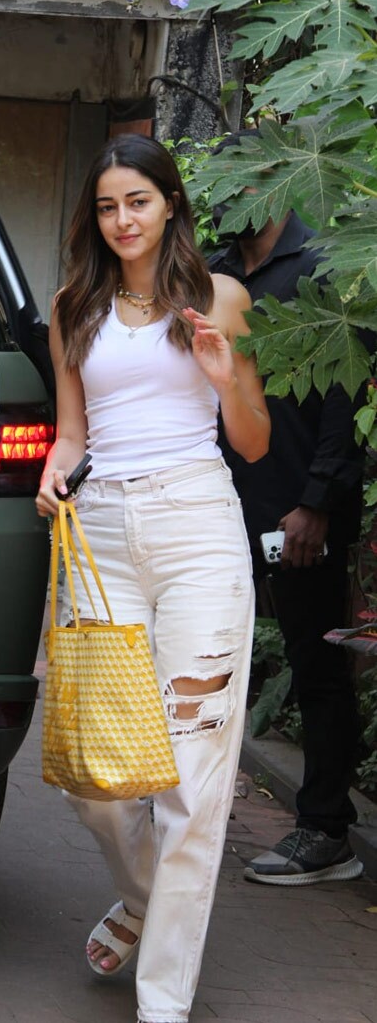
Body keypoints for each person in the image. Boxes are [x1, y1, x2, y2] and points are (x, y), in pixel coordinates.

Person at [35, 132, 270, 1023]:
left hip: (197, 529)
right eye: (107, 205)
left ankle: (162, 1001)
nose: (123, 219)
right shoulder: (73, 306)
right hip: (101, 536)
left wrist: (223, 374)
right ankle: (142, 899)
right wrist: (56, 471)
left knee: (191, 775)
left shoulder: (220, 298)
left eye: (138, 200)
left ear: (169, 202)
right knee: (97, 783)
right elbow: (74, 433)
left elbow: (252, 441)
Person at [208, 133, 365, 886]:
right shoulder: (212, 275)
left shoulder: (321, 270)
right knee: (209, 650)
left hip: (297, 511)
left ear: (274, 183)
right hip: (217, 501)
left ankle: (325, 827)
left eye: (244, 184)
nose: (230, 198)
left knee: (314, 661)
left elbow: (346, 394)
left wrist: (317, 504)